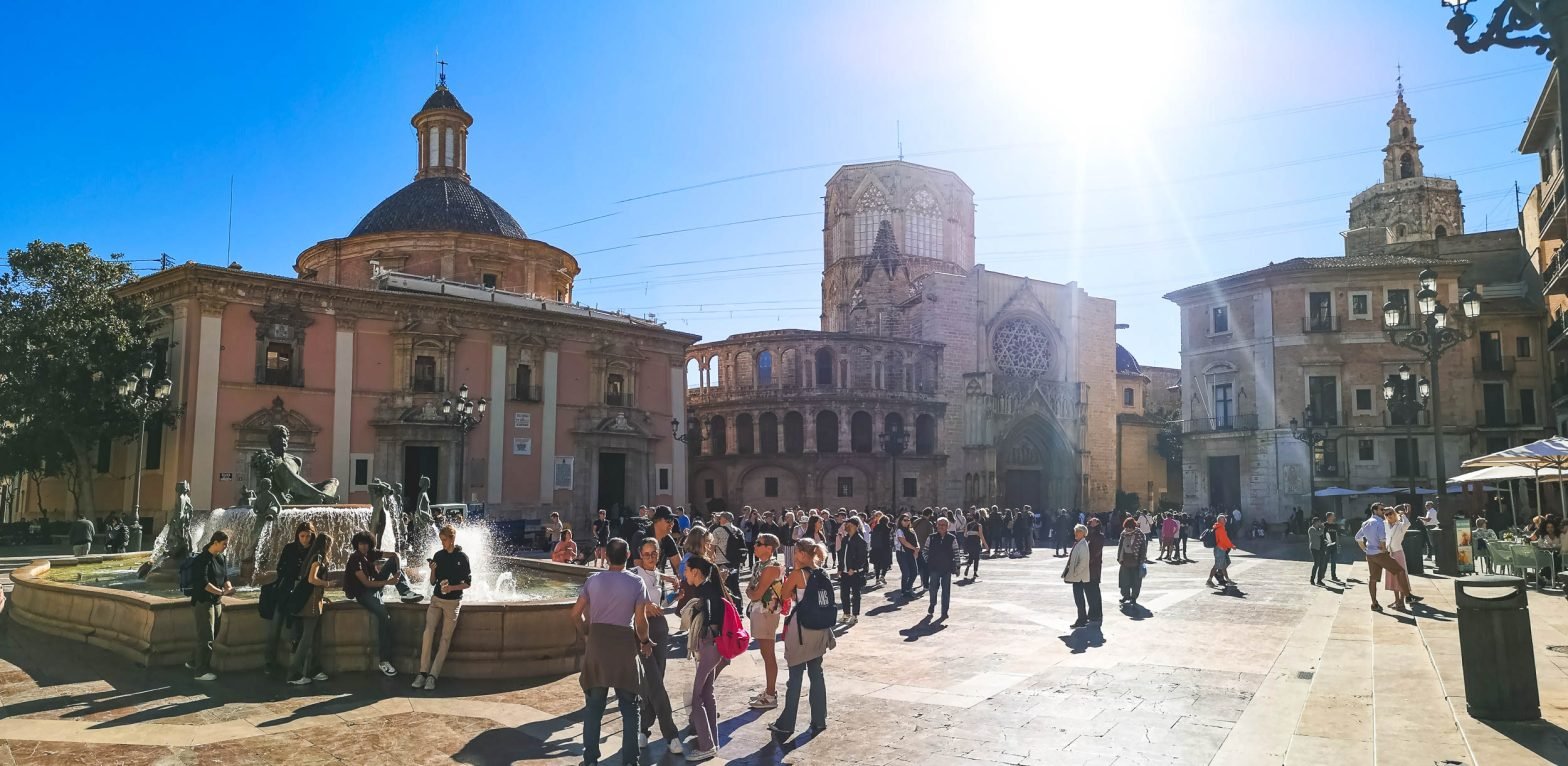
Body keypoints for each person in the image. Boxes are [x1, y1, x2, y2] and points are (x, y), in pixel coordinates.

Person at [573, 538, 652, 766]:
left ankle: (590, 760)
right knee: (629, 705)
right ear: (628, 556)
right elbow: (640, 621)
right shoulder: (636, 582)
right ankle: (630, 760)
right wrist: (645, 641)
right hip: (624, 646)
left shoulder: (593, 580)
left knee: (594, 705)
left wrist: (586, 634)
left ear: (606, 556)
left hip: (597, 644)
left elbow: (574, 614)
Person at [768, 537, 835, 741]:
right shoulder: (822, 573)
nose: (793, 555)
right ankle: (819, 719)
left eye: (796, 552)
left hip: (802, 629)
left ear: (803, 554)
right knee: (817, 674)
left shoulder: (799, 574)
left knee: (795, 675)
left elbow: (785, 595)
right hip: (820, 628)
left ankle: (787, 723)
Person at [344, 531, 424, 677]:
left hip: (374, 587)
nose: (364, 547)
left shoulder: (371, 553)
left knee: (393, 562)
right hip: (363, 593)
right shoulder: (354, 559)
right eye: (361, 544)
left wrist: (398, 571)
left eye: (366, 543)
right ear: (357, 545)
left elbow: (395, 555)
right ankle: (384, 661)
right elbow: (366, 583)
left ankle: (405, 592)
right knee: (384, 618)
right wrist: (389, 582)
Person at [629, 538, 682, 755]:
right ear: (640, 554)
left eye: (654, 554)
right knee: (656, 682)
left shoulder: (658, 576)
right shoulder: (632, 575)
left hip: (660, 628)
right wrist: (642, 607)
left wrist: (675, 596)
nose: (650, 558)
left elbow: (661, 603)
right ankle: (671, 735)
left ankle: (643, 729)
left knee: (656, 679)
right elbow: (625, 604)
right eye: (647, 554)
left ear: (658, 554)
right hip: (642, 631)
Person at [679, 556, 731, 762]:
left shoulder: (705, 591)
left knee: (696, 697)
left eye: (686, 570)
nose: (684, 573)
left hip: (709, 646)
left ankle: (706, 745)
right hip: (715, 647)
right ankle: (713, 742)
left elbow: (709, 615)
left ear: (695, 572)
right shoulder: (710, 588)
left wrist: (705, 626)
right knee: (707, 693)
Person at [412, 524, 471, 691]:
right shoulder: (438, 555)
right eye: (441, 540)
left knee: (445, 639)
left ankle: (433, 676)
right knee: (428, 632)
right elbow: (432, 582)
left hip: (453, 603)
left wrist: (451, 588)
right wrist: (432, 570)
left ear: (452, 539)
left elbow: (467, 584)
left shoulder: (462, 557)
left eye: (444, 540)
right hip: (436, 600)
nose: (442, 543)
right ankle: (422, 672)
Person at [261, 521, 315, 674]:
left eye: (308, 536)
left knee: (297, 629)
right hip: (284, 592)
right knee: (275, 626)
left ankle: (295, 664)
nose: (305, 539)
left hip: (303, 594)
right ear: (297, 535)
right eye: (302, 536)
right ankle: (269, 661)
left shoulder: (314, 551)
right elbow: (280, 568)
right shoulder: (290, 548)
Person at [286, 532, 334, 686]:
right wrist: (327, 584)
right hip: (310, 602)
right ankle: (294, 674)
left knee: (309, 637)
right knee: (306, 638)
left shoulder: (312, 556)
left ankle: (311, 670)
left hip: (311, 599)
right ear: (326, 544)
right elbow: (312, 579)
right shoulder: (318, 557)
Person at [189, 530, 234, 681]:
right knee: (207, 635)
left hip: (216, 601)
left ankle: (193, 661)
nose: (225, 547)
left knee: (213, 633)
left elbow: (225, 576)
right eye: (224, 544)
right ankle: (200, 671)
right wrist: (221, 592)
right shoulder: (202, 560)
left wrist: (228, 587)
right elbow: (204, 583)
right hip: (203, 601)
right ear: (215, 543)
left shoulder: (221, 557)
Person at [1355, 507, 1411, 612]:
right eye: (1383, 510)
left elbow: (1358, 537)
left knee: (1373, 578)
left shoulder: (1366, 523)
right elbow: (1382, 540)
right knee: (1400, 572)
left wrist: (1365, 549)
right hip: (1382, 554)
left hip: (1372, 554)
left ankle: (1376, 603)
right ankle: (1407, 597)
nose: (1385, 513)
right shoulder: (1381, 523)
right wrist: (1384, 550)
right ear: (1375, 510)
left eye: (1390, 512)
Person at [925, 517, 960, 621]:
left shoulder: (952, 538)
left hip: (947, 568)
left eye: (944, 525)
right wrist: (929, 560)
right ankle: (932, 604)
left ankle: (944, 611)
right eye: (940, 524)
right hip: (934, 568)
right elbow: (925, 551)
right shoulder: (931, 537)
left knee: (946, 591)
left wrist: (957, 566)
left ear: (948, 526)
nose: (942, 527)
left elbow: (956, 552)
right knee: (933, 589)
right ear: (936, 525)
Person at [710, 511, 745, 610]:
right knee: (735, 585)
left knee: (722, 586)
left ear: (725, 519)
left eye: (720, 518)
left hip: (721, 562)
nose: (719, 520)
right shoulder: (738, 531)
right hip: (735, 562)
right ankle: (738, 608)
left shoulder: (717, 531)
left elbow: (712, 548)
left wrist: (710, 560)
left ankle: (725, 608)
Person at [1382, 506, 1416, 605]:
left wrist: (1402, 514)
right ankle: (1396, 599)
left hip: (1398, 552)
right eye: (1386, 514)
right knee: (1392, 577)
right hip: (1389, 553)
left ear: (1394, 513)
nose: (1389, 516)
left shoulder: (1400, 525)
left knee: (1401, 576)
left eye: (1390, 513)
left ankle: (1401, 600)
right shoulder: (1385, 525)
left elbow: (1408, 523)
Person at [838, 517, 868, 626]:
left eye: (848, 524)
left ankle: (855, 616)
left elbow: (862, 558)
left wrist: (854, 568)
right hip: (845, 572)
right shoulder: (845, 539)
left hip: (855, 573)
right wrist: (840, 568)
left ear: (855, 526)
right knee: (844, 594)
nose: (846, 526)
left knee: (856, 594)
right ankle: (846, 614)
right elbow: (842, 555)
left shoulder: (860, 540)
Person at [1063, 524, 1092, 628]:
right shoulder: (1079, 543)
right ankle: (1082, 618)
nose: (1076, 533)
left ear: (1083, 533)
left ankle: (1082, 620)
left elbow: (1083, 562)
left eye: (1078, 531)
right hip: (1078, 577)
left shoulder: (1083, 545)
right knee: (1079, 599)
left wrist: (1075, 573)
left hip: (1079, 577)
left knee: (1079, 599)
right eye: (1075, 531)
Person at [1116, 518, 1147, 607]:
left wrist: (1142, 559)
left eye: (1129, 527)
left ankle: (1133, 597)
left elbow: (1143, 548)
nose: (1127, 529)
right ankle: (1125, 596)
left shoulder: (1140, 535)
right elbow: (1120, 546)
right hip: (1125, 560)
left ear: (1133, 527)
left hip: (1135, 560)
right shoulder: (1123, 534)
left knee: (1136, 581)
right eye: (1126, 527)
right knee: (1124, 580)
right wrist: (1119, 558)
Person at [895, 513, 921, 598]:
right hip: (902, 553)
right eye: (905, 520)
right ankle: (904, 591)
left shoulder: (912, 530)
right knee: (906, 572)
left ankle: (908, 588)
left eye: (908, 520)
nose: (907, 522)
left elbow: (916, 541)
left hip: (911, 552)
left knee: (914, 572)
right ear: (901, 521)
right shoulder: (899, 531)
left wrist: (917, 549)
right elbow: (904, 542)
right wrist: (914, 548)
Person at [1206, 515, 1236, 590]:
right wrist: (1231, 546)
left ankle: (1226, 578)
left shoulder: (1219, 527)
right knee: (1217, 565)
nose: (1225, 520)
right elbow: (1224, 540)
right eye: (1223, 519)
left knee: (1225, 563)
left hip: (1221, 549)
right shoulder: (1220, 529)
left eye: (1225, 519)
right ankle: (1209, 580)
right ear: (1219, 521)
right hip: (1220, 549)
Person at [962, 510, 987, 581]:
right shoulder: (979, 525)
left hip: (969, 543)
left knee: (970, 556)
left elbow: (965, 535)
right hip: (976, 543)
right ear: (979, 518)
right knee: (976, 558)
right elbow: (981, 536)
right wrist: (985, 545)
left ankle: (968, 566)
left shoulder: (968, 524)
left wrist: (971, 533)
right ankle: (975, 572)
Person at [869, 512, 893, 586]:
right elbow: (889, 539)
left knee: (877, 564)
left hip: (876, 548)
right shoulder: (888, 529)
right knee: (886, 563)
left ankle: (876, 579)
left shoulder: (876, 527)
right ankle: (882, 576)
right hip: (885, 548)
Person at [1308, 516, 1328, 586]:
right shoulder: (1311, 529)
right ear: (1316, 522)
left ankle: (1319, 580)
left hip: (1321, 548)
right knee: (1316, 564)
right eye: (1319, 522)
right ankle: (1312, 579)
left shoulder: (1318, 529)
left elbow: (1320, 537)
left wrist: (1325, 541)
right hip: (1314, 548)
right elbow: (1319, 533)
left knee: (1322, 564)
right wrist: (1322, 528)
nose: (1320, 523)